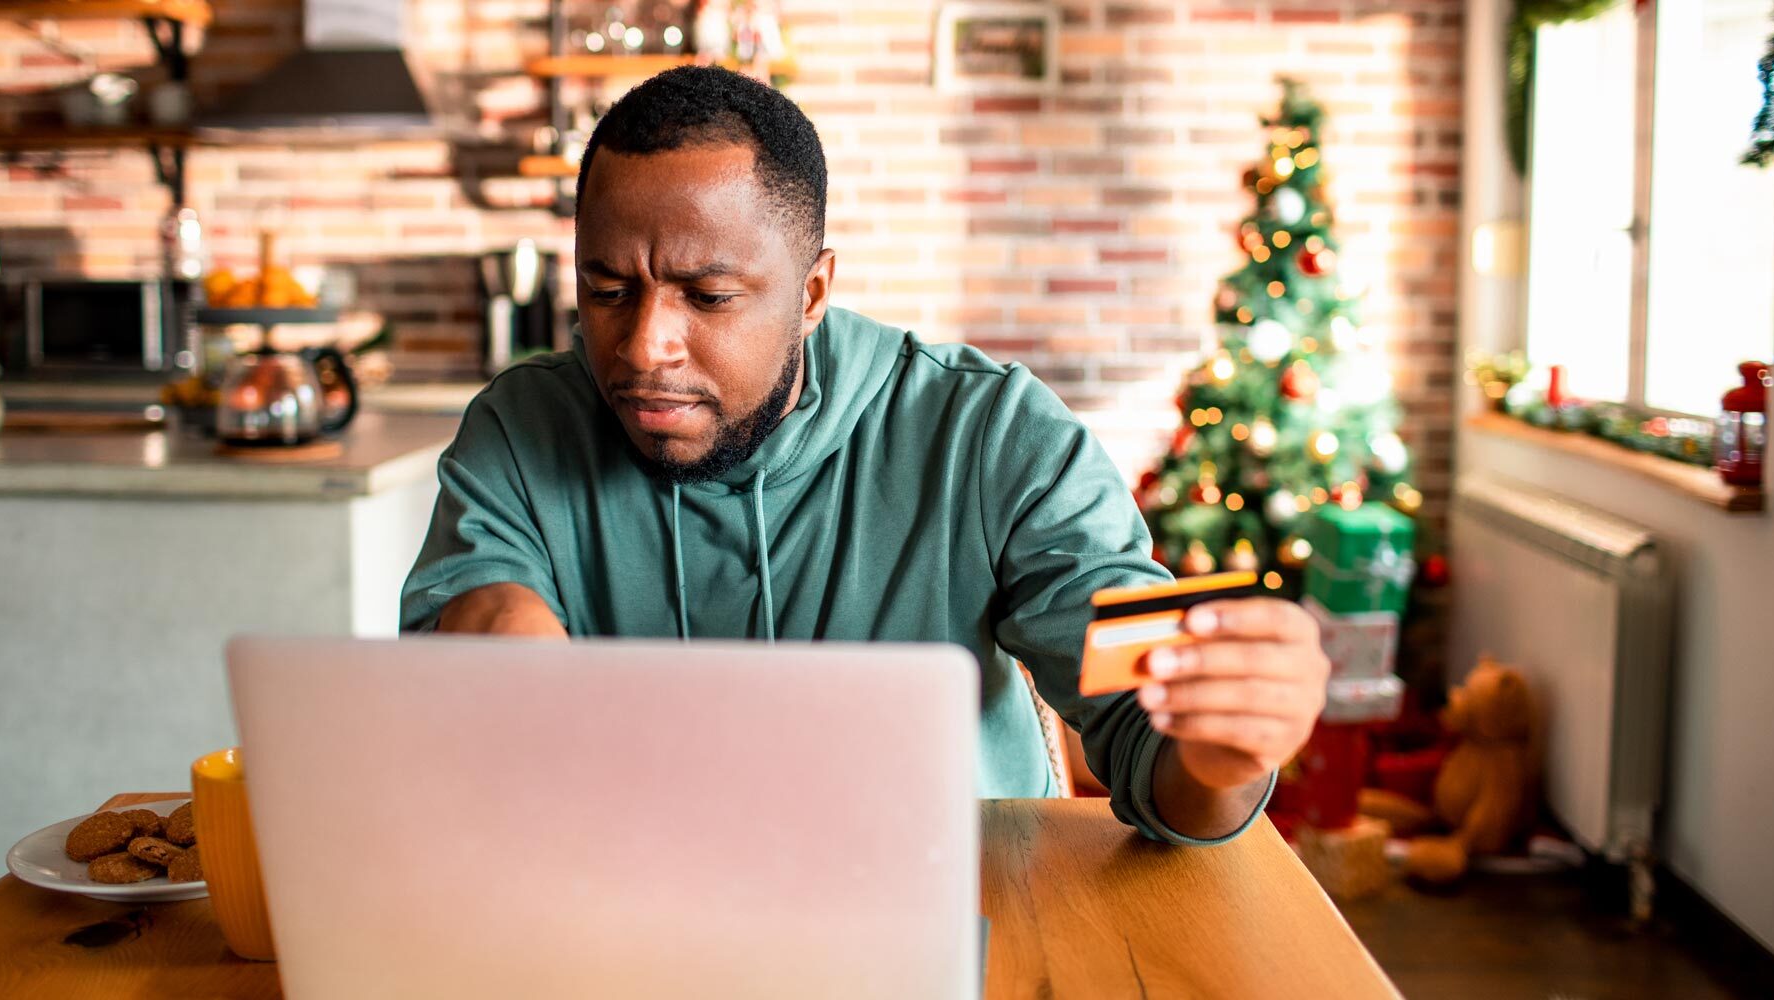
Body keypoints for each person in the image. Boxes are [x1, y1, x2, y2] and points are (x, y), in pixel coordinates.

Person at [401, 66, 1330, 845]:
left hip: (954, 909)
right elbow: (436, 718)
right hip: (618, 914)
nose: (645, 347)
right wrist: (474, 635)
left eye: (710, 296)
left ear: (811, 292)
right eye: (607, 291)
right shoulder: (520, 429)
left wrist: (1224, 754)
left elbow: (1152, 744)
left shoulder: (993, 435)